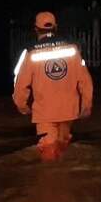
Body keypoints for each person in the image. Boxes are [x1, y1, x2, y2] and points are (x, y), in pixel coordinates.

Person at [12, 11, 93, 161]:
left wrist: (22, 107)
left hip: (45, 113)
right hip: (69, 111)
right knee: (62, 149)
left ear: (36, 29)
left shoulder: (31, 54)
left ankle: (51, 182)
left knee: (49, 156)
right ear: (56, 27)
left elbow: (21, 85)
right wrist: (86, 106)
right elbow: (85, 81)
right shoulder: (72, 50)